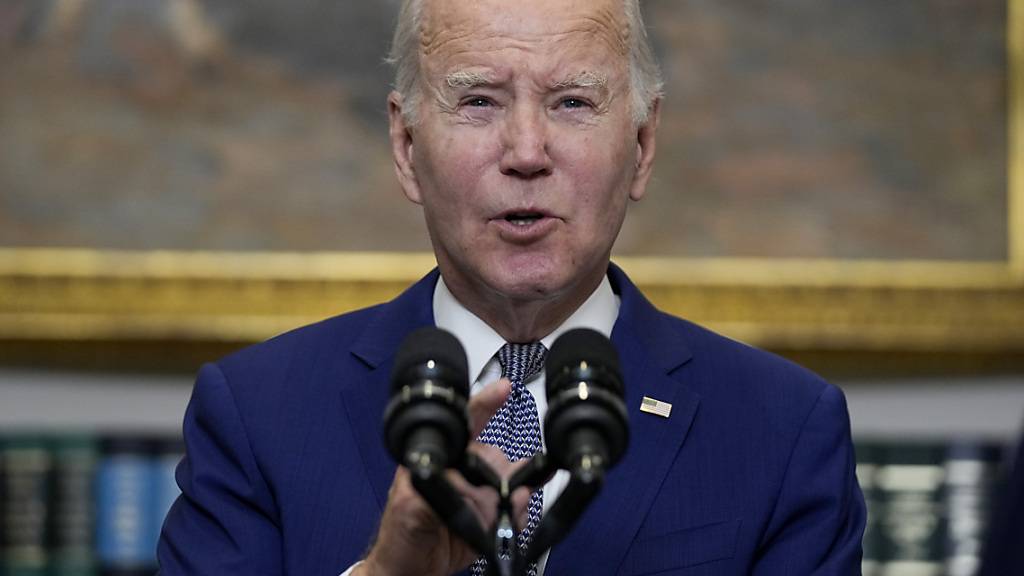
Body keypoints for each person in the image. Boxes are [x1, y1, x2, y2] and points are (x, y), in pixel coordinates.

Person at [157, 0, 866, 574]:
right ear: (406, 148)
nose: (527, 152)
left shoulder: (783, 432)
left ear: (642, 147)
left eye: (572, 103)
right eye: (480, 102)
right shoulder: (256, 414)